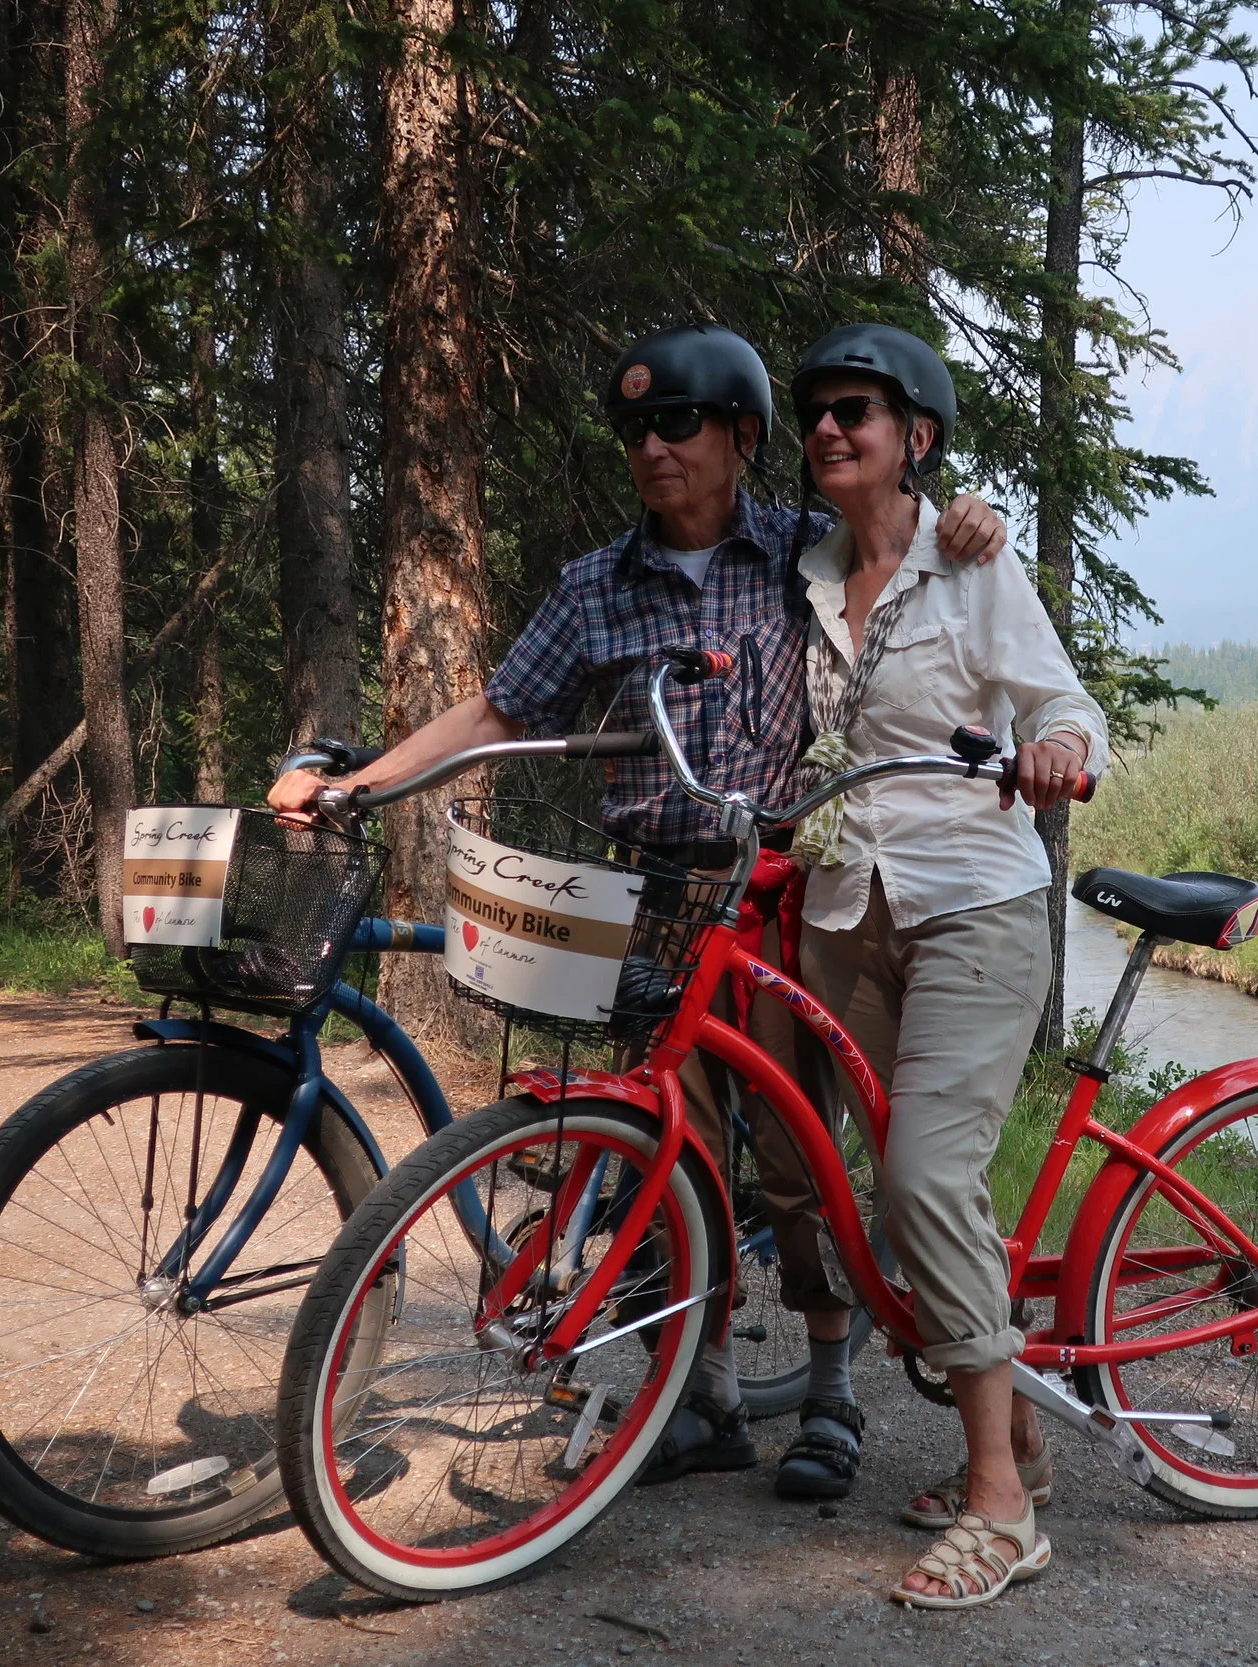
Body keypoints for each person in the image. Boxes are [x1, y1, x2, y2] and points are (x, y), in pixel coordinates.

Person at [266, 323, 1009, 1495]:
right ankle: (697, 1391)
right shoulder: (594, 587)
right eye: (633, 429)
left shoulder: (797, 553)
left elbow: (900, 540)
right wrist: (359, 782)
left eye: (678, 423)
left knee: (790, 1158)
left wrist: (975, 514)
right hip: (651, 905)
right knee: (670, 1155)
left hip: (768, 893)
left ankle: (829, 1388)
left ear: (739, 437)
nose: (652, 448)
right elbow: (498, 712)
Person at [782, 322, 1106, 1609]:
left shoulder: (974, 566)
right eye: (815, 411)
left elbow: (1062, 700)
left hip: (973, 902)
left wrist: (1056, 753)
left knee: (923, 1172)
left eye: (854, 410)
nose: (827, 429)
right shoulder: (798, 572)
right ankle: (1017, 1425)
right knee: (875, 1192)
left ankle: (1002, 1503)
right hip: (842, 905)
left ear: (914, 435)